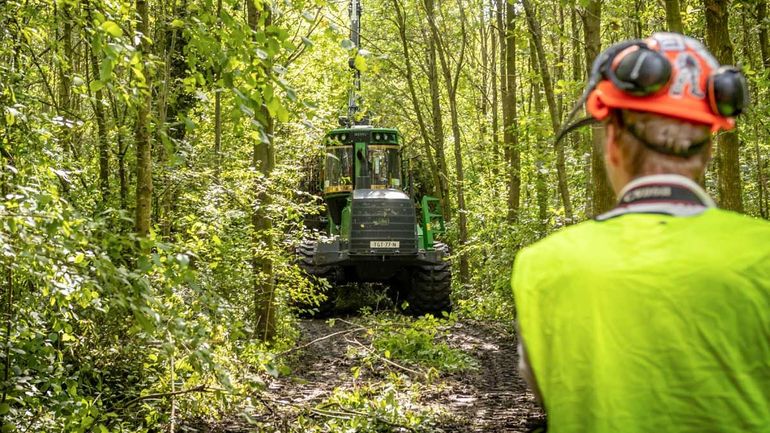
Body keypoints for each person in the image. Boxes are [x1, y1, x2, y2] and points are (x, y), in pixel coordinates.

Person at [511, 32, 770, 433]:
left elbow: (548, 391)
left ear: (612, 139)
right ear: (709, 146)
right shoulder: (762, 252)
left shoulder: (540, 265)